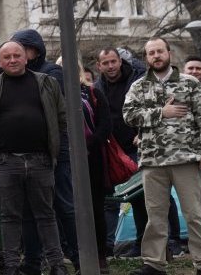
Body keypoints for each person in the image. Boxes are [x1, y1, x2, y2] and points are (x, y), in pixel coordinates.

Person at [123, 38, 201, 275]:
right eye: (151, 53)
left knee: (194, 214)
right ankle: (154, 263)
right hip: (153, 161)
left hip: (186, 158)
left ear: (169, 53)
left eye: (160, 51)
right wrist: (161, 112)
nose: (156, 56)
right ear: (146, 58)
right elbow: (128, 115)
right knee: (155, 216)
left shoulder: (190, 83)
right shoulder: (138, 86)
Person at [0, 41, 68, 275]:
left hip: (41, 160)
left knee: (46, 215)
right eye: (7, 57)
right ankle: (12, 267)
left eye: (17, 55)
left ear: (26, 57)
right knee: (9, 217)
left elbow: (61, 117)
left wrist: (51, 149)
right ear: (0, 62)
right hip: (6, 162)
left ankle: (57, 265)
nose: (13, 60)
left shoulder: (47, 83)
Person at [96, 47, 179, 257]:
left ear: (120, 61)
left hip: (140, 146)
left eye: (113, 61)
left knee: (149, 195)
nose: (110, 66)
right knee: (112, 198)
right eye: (105, 63)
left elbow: (155, 109)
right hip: (114, 150)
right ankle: (109, 246)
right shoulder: (98, 87)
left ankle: (168, 243)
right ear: (99, 66)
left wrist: (143, 133)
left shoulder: (138, 80)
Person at [9, 29, 77, 261]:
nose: (16, 56)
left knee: (64, 204)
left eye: (21, 50)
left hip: (56, 150)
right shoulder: (13, 78)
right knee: (30, 209)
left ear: (34, 50)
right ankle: (34, 261)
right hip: (28, 153)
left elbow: (53, 109)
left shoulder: (52, 73)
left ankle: (80, 256)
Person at [78, 64, 113, 274]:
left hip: (93, 159)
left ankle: (100, 254)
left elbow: (105, 125)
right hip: (64, 160)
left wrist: (86, 145)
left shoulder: (93, 93)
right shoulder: (54, 94)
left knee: (96, 208)